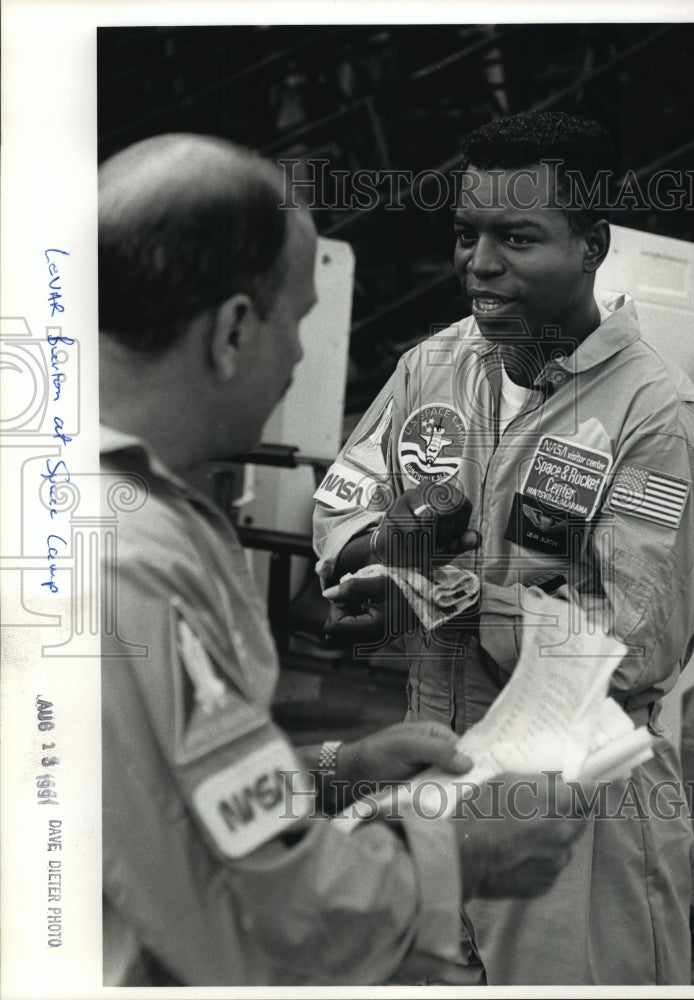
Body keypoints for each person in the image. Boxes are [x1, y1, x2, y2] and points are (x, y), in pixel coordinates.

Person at [98, 133, 581, 988]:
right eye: (299, 322)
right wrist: (455, 851)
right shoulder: (132, 562)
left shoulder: (100, 506)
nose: (295, 360)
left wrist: (330, 773)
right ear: (235, 331)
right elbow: (264, 912)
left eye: (518, 236)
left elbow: (167, 787)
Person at [314, 111, 694, 984]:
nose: (479, 263)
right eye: (466, 234)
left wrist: (442, 581)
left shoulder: (656, 421)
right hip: (435, 774)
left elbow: (626, 652)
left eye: (517, 237)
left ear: (593, 244)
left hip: (579, 813)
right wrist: (377, 559)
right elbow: (343, 500)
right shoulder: (435, 366)